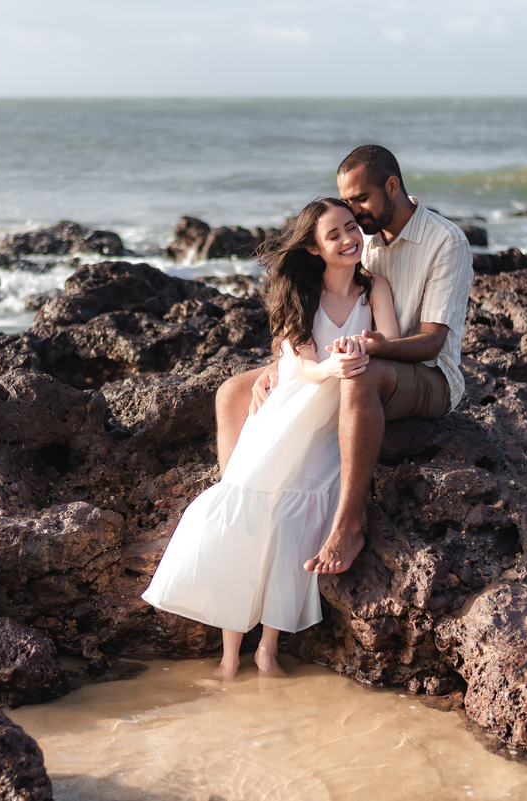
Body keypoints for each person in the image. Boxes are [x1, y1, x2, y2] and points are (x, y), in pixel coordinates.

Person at [142, 198, 400, 679]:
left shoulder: (375, 287)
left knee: (291, 526)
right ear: (313, 247)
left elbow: (388, 338)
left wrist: (361, 347)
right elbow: (298, 363)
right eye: (334, 235)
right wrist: (332, 365)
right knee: (246, 518)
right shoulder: (300, 291)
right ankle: (227, 656)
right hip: (284, 415)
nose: (349, 240)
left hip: (329, 428)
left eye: (352, 229)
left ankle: (268, 651)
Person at [214, 144, 473, 576]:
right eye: (347, 203)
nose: (353, 212)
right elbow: (312, 319)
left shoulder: (445, 241)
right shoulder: (364, 241)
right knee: (232, 392)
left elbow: (429, 344)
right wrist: (280, 366)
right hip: (362, 357)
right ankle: (236, 506)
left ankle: (349, 526)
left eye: (360, 199)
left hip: (429, 375)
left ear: (392, 186)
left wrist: (371, 346)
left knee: (358, 377)